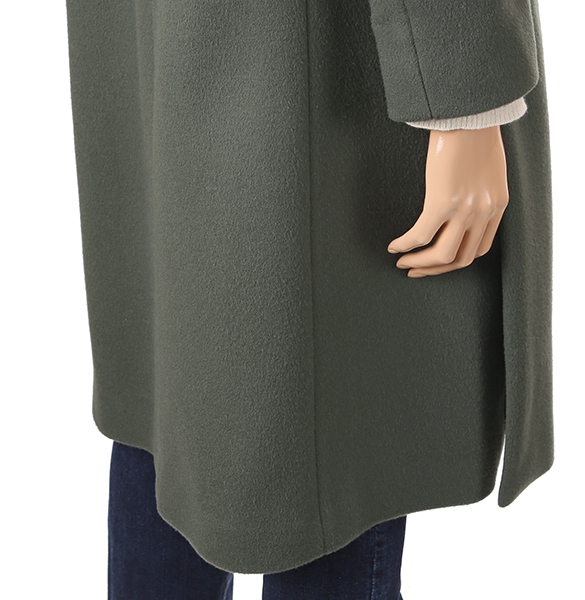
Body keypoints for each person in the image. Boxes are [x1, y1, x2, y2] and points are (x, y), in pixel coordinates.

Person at [65, 0, 554, 597]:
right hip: (303, 55)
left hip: (164, 44)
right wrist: (464, 99)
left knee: (174, 407)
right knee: (330, 437)